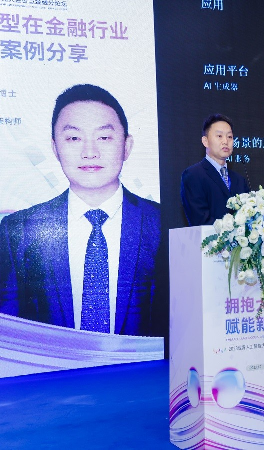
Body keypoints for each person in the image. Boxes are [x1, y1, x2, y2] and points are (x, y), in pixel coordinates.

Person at [0, 84, 160, 336]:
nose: (90, 153)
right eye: (74, 138)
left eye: (104, 138)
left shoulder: (163, 223)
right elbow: (9, 331)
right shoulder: (18, 231)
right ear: (55, 148)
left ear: (127, 146)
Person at [181, 114, 250, 226]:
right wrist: (231, 231)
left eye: (229, 137)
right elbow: (200, 219)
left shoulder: (240, 180)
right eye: (219, 136)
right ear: (205, 141)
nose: (225, 141)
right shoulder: (193, 175)